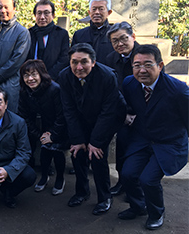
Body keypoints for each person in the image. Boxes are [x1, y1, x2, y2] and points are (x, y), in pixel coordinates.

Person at [118, 45, 188, 230]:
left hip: (169, 142)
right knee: (127, 174)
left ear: (160, 65)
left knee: (148, 179)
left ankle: (156, 213)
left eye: (148, 65)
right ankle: (138, 206)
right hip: (143, 138)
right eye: (136, 65)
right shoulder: (129, 83)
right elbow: (132, 106)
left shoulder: (178, 90)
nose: (142, 70)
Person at [59, 43, 126, 215]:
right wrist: (78, 140)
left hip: (107, 118)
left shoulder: (107, 76)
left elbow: (108, 111)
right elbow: (69, 109)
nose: (78, 67)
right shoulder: (65, 76)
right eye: (74, 62)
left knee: (97, 155)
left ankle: (104, 197)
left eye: (84, 62)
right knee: (78, 153)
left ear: (93, 62)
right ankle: (82, 192)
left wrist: (95, 142)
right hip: (82, 118)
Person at [18, 59, 68, 195]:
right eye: (26, 75)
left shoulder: (55, 89)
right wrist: (39, 134)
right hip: (42, 127)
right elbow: (24, 116)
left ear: (41, 74)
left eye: (34, 74)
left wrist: (53, 135)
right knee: (44, 152)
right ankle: (44, 177)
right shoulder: (24, 91)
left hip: (59, 126)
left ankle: (60, 178)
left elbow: (61, 115)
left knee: (58, 152)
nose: (30, 79)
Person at [104, 21, 140, 196]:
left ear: (133, 37)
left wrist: (134, 112)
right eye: (115, 41)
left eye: (123, 39)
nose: (119, 44)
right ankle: (122, 182)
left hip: (143, 112)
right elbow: (112, 88)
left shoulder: (144, 55)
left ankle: (136, 187)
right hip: (122, 112)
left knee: (139, 151)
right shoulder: (111, 58)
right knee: (122, 147)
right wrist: (124, 112)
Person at [0, 0, 30, 112]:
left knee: (8, 123)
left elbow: (16, 61)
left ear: (14, 8)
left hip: (10, 87)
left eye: (6, 7)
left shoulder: (22, 33)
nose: (3, 10)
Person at [27, 0, 69, 81]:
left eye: (46, 13)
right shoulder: (29, 33)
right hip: (31, 80)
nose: (42, 17)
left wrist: (47, 77)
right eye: (39, 13)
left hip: (54, 80)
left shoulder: (61, 34)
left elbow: (64, 59)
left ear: (53, 15)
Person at [71, 0, 113, 66]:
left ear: (109, 12)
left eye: (101, 9)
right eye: (94, 9)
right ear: (89, 13)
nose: (97, 12)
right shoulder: (79, 34)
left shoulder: (114, 34)